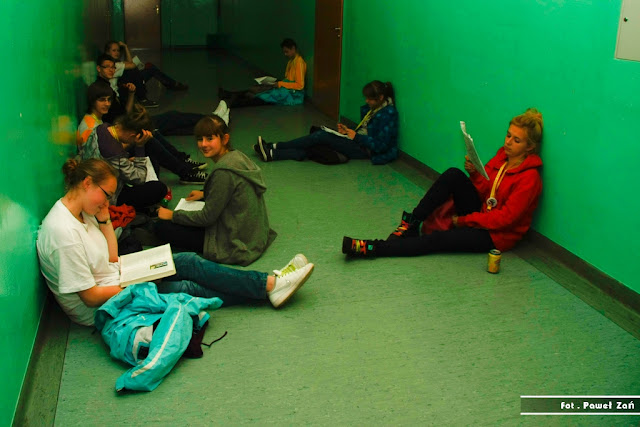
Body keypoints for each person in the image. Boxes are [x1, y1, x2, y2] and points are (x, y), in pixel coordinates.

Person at [36, 158, 314, 326]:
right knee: (188, 287)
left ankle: (270, 284)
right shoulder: (63, 234)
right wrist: (137, 283)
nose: (108, 201)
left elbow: (110, 259)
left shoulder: (85, 211)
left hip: (117, 276)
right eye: (106, 195)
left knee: (188, 261)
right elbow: (89, 297)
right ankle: (271, 287)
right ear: (87, 183)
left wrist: (105, 219)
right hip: (101, 306)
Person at [342, 108, 544, 257]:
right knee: (454, 174)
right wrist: (475, 174)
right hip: (482, 213)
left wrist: (462, 221)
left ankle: (372, 248)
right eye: (508, 135)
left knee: (437, 240)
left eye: (516, 140)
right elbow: (486, 192)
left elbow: (505, 220)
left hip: (496, 235)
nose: (508, 142)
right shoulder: (502, 157)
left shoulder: (530, 178)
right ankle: (412, 222)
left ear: (530, 147)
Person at [155, 115, 277, 266]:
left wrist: (173, 215)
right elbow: (232, 189)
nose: (203, 144)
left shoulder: (223, 172)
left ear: (224, 139)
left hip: (234, 240)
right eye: (200, 139)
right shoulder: (237, 156)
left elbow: (207, 218)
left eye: (209, 138)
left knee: (162, 228)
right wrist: (205, 193)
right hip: (252, 233)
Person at [79, 80, 208, 178]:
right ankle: (184, 171)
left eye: (108, 100)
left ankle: (182, 161)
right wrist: (137, 144)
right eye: (102, 100)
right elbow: (99, 158)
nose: (107, 104)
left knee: (152, 133)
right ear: (92, 101)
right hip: (107, 166)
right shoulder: (90, 127)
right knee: (149, 138)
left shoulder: (99, 119)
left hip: (115, 153)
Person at [255, 81, 399, 165]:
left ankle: (275, 147)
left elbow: (381, 146)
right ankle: (272, 153)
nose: (367, 102)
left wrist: (356, 137)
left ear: (381, 98)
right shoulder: (375, 108)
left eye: (370, 99)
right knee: (317, 143)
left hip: (365, 149)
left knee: (320, 136)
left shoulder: (388, 114)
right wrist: (347, 131)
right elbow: (366, 129)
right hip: (358, 140)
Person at [95, 54, 217, 137]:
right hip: (128, 127)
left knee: (172, 128)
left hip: (129, 123)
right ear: (99, 69)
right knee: (171, 117)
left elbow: (125, 112)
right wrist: (135, 120)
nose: (111, 70)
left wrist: (131, 94)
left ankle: (212, 124)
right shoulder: (103, 91)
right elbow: (120, 118)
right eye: (107, 67)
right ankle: (213, 119)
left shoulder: (108, 86)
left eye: (113, 67)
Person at [220, 38, 307, 108]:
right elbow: (288, 79)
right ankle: (230, 95)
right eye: (284, 52)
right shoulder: (291, 61)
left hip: (292, 94)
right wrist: (278, 83)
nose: (285, 54)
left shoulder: (299, 62)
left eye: (287, 52)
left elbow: (300, 85)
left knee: (261, 97)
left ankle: (232, 102)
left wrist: (280, 84)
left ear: (293, 48)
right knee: (257, 89)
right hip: (285, 89)